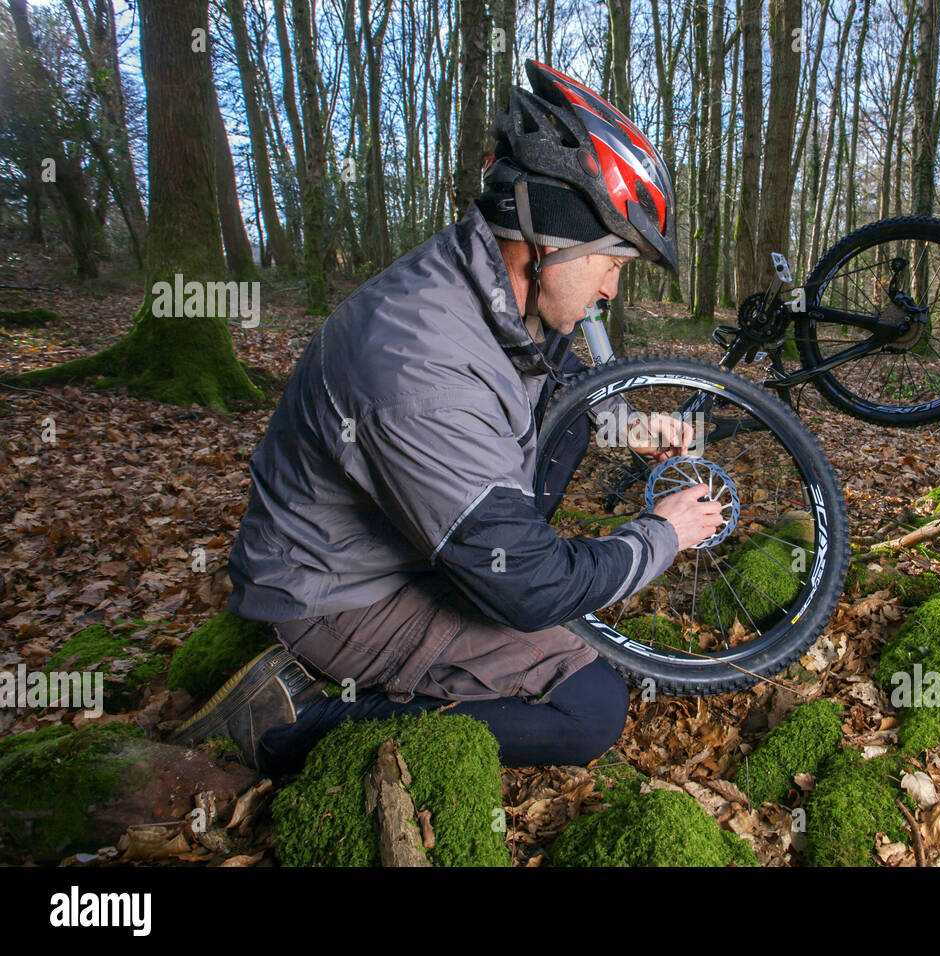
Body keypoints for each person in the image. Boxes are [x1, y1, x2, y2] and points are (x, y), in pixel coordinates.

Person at [169, 61, 724, 777]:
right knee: (588, 710)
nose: (614, 288)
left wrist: (625, 423)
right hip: (339, 595)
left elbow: (556, 374)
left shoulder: (488, 286)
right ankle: (292, 725)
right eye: (611, 261)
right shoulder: (415, 360)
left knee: (574, 422)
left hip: (399, 542)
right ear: (549, 242)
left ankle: (485, 557)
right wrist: (662, 534)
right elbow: (534, 590)